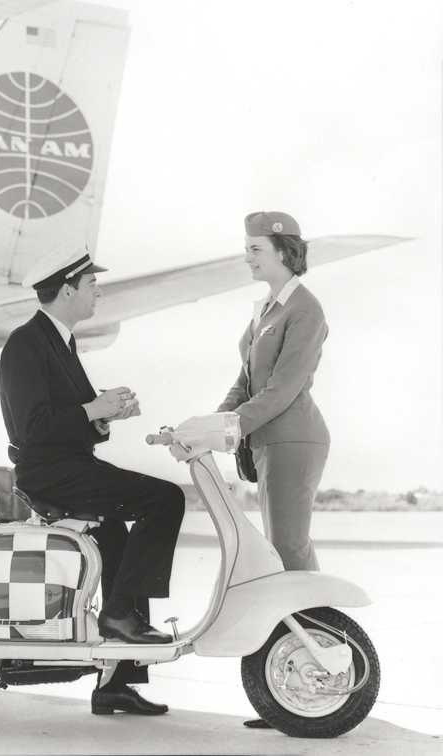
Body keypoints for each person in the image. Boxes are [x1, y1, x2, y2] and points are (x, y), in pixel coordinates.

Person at [0, 245, 185, 717]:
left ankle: (116, 683)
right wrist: (92, 410)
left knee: (122, 542)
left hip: (69, 466)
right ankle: (120, 618)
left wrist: (106, 416)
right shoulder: (26, 342)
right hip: (50, 473)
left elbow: (70, 421)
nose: (98, 291)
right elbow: (32, 428)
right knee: (164, 499)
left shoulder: (59, 341)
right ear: (66, 290)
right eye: (90, 284)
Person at [215, 211, 330, 729]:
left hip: (293, 438)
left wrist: (232, 425)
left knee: (288, 551)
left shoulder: (304, 309)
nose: (247, 256)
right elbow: (245, 379)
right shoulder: (266, 307)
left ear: (284, 251)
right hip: (268, 440)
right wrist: (214, 422)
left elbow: (282, 389)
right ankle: (295, 667)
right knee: (282, 554)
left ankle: (315, 666)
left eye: (255, 249)